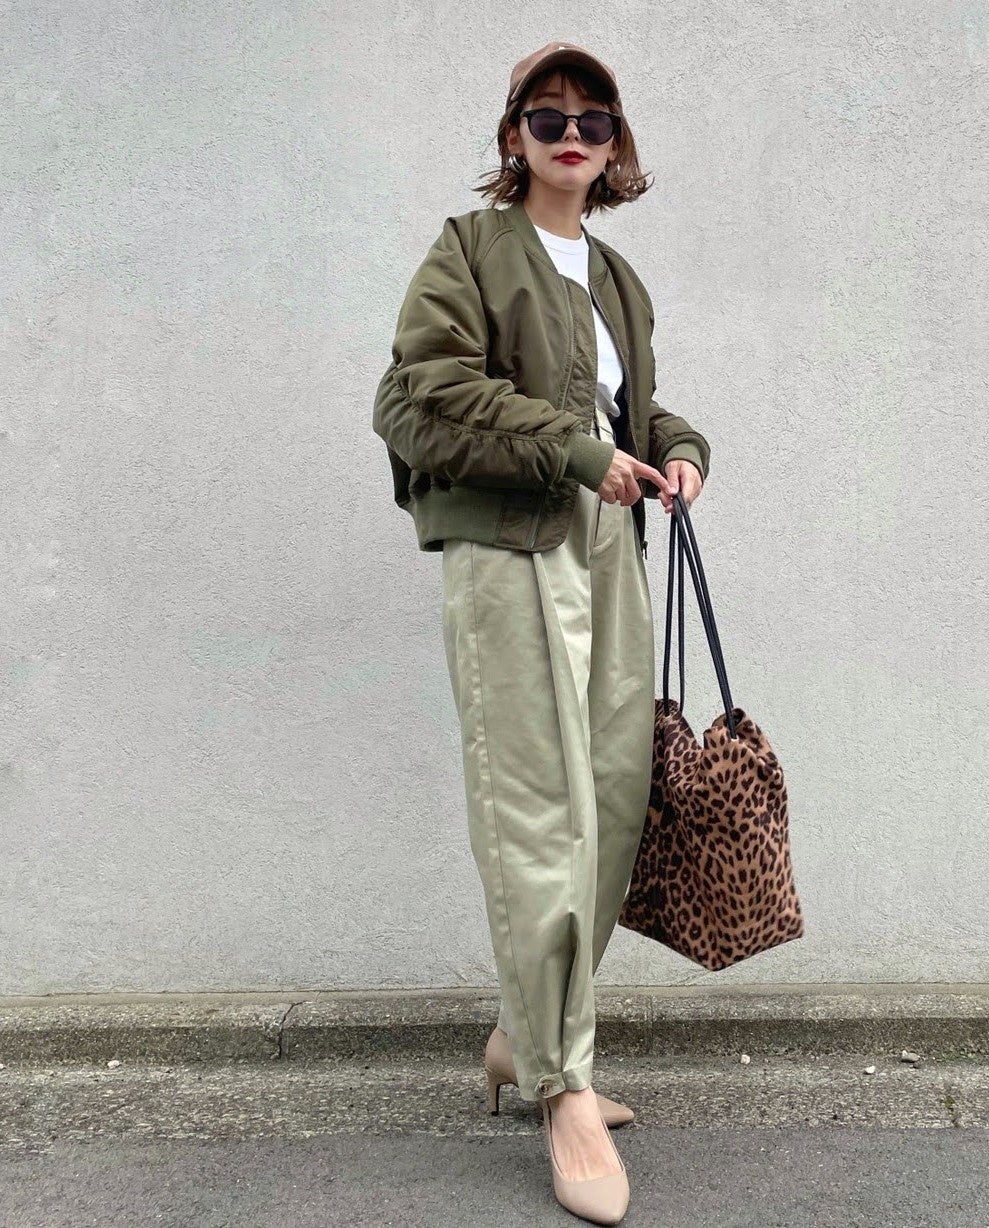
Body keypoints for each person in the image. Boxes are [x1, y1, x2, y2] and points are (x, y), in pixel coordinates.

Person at [372, 41, 711, 1225]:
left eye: (593, 120)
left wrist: (677, 448)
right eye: (547, 116)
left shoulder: (614, 276)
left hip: (610, 542)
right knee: (535, 805)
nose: (572, 136)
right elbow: (424, 389)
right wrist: (571, 452)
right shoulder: (469, 250)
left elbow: (625, 408)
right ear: (512, 136)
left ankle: (525, 1035)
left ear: (616, 147)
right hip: (511, 542)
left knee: (612, 796)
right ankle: (561, 1086)